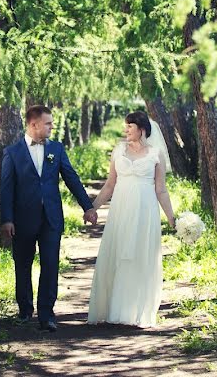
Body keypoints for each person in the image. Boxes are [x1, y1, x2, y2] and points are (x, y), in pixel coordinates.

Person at [0, 105, 98, 332]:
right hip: (22, 220)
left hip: (51, 218)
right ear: (34, 125)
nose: (52, 126)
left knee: (50, 265)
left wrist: (88, 207)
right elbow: (6, 189)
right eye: (48, 123)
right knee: (22, 265)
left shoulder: (57, 149)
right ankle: (24, 310)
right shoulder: (12, 153)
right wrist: (7, 219)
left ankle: (47, 315)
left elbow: (71, 178)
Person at [87, 110, 175, 327]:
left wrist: (173, 219)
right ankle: (114, 309)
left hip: (145, 210)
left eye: (130, 126)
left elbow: (161, 190)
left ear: (142, 129)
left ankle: (135, 311)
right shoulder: (118, 151)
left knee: (139, 256)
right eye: (125, 126)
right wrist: (92, 208)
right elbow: (109, 185)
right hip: (121, 209)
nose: (125, 129)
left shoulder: (155, 154)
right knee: (118, 254)